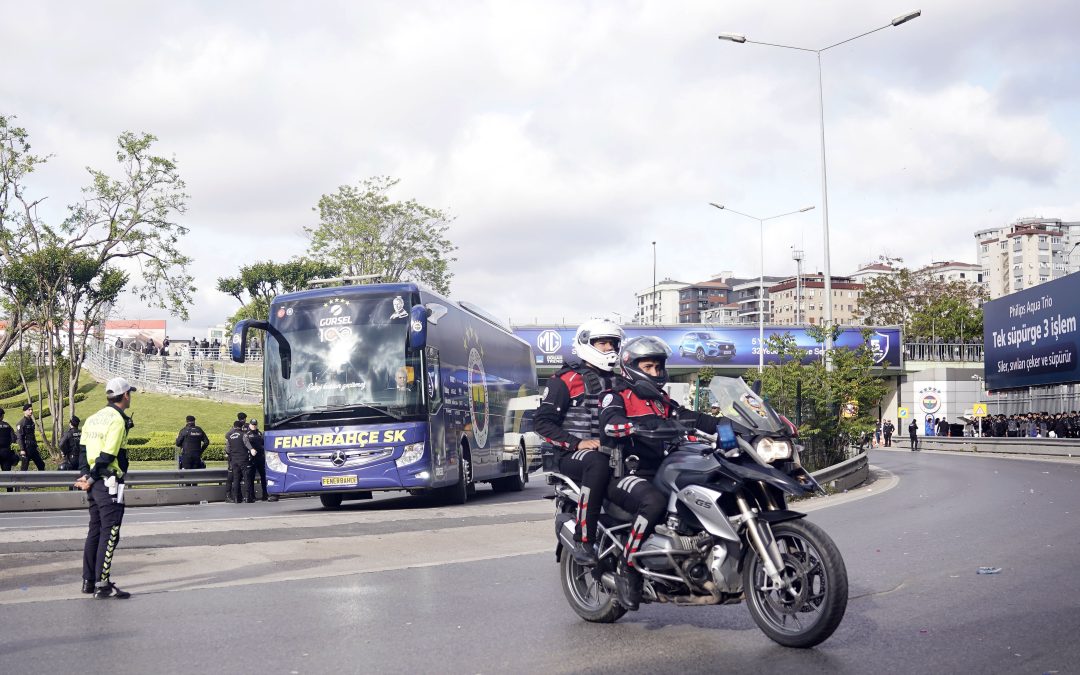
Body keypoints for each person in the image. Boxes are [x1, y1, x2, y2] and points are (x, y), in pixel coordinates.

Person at [600, 336, 726, 611]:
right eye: (649, 367)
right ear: (631, 366)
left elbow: (688, 417)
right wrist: (635, 427)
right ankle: (627, 566)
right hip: (624, 474)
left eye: (659, 368)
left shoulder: (660, 401)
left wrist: (725, 424)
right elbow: (611, 424)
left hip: (660, 470)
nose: (656, 373)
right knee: (653, 501)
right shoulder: (616, 396)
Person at [534, 318, 624, 566]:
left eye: (613, 344)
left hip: (616, 452)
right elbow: (542, 423)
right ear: (586, 344)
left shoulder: (622, 382)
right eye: (602, 343)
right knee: (597, 463)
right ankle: (584, 537)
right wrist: (577, 443)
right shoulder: (565, 380)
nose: (609, 349)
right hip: (572, 455)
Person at [73, 377, 137, 599]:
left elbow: (82, 451)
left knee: (95, 530)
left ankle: (88, 581)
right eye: (131, 393)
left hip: (93, 482)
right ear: (125, 395)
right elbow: (108, 454)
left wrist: (85, 474)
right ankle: (103, 584)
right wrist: (91, 477)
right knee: (110, 533)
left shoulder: (93, 417)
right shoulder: (117, 420)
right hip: (108, 482)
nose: (131, 397)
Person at [225, 420, 250, 504]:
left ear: (234, 426)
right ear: (241, 427)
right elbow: (247, 445)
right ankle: (247, 497)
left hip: (234, 461)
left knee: (236, 479)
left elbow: (227, 450)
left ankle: (236, 498)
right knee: (246, 478)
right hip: (243, 459)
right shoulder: (243, 435)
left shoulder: (229, 436)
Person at [244, 419, 267, 501]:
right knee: (251, 478)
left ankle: (265, 494)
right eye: (252, 424)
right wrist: (251, 449)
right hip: (252, 458)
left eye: (255, 424)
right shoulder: (247, 434)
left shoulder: (259, 433)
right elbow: (246, 443)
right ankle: (252, 495)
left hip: (260, 458)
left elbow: (263, 443)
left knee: (263, 477)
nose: (254, 426)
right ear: (250, 425)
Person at [16, 403, 45, 471]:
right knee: (24, 467)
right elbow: (20, 437)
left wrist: (36, 445)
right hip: (26, 448)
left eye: (32, 409)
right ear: (24, 411)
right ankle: (21, 481)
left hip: (33, 447)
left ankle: (41, 481)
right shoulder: (21, 423)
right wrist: (22, 449)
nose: (31, 411)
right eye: (29, 410)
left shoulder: (31, 421)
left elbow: (32, 435)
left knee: (41, 464)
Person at [0, 410, 16, 490]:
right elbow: (14, 439)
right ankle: (10, 492)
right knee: (7, 473)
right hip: (6, 452)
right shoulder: (7, 426)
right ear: (2, 416)